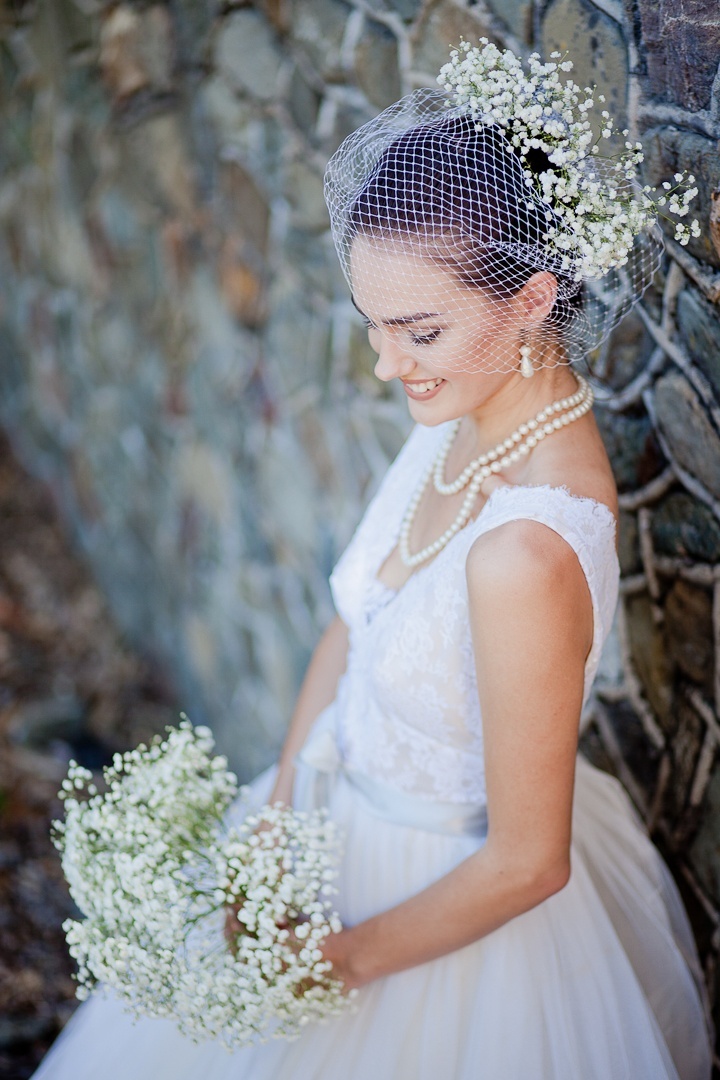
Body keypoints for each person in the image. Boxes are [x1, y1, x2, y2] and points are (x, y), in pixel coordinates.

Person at [34, 46, 713, 1080]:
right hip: (323, 821)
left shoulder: (523, 553)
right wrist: (274, 822)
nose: (387, 365)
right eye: (375, 327)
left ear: (532, 300)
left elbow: (528, 862)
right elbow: (354, 620)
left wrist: (333, 965)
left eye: (419, 330)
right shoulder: (460, 416)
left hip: (440, 914)